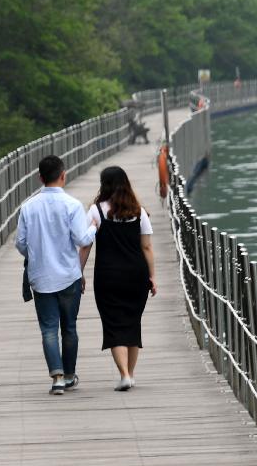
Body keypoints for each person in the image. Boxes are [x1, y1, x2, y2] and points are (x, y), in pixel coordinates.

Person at [15, 155, 97, 395]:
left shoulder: (28, 207)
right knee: (69, 327)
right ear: (64, 175)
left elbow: (20, 243)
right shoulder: (72, 205)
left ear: (40, 178)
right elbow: (82, 240)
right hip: (69, 275)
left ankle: (57, 378)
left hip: (41, 278)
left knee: (48, 329)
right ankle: (70, 374)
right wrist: (93, 227)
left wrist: (36, 252)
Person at [80, 166, 156, 391]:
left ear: (104, 185)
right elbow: (147, 247)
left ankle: (124, 374)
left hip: (108, 276)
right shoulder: (139, 212)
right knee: (133, 323)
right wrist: (152, 276)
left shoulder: (96, 211)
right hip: (136, 274)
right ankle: (130, 374)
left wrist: (79, 273)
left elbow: (85, 245)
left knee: (113, 323)